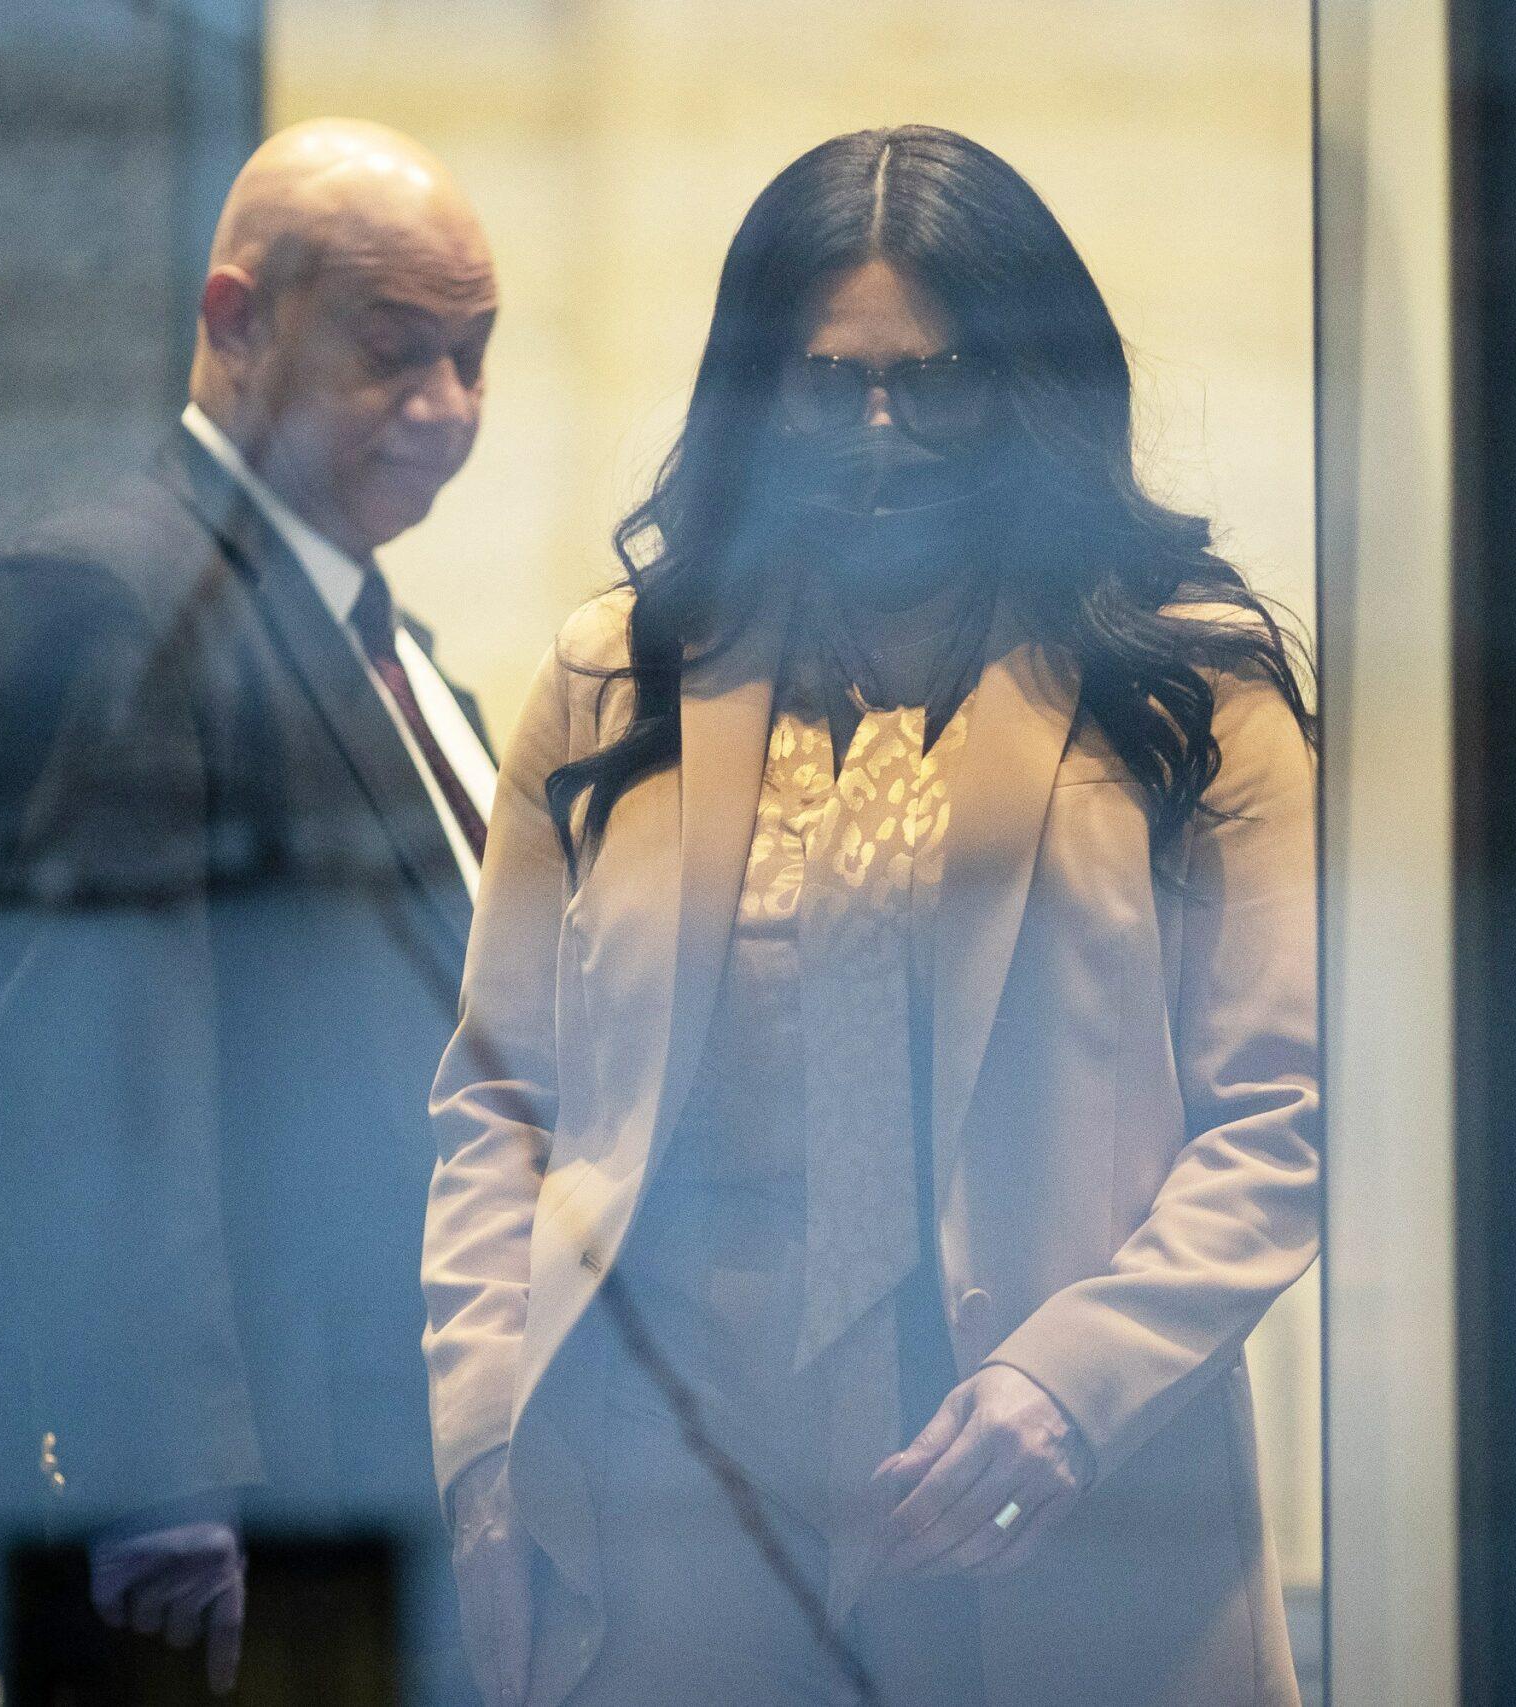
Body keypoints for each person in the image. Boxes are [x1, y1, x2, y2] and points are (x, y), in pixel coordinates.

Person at [424, 125, 1322, 1707]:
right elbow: (502, 1105)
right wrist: (487, 1445)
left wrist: (1071, 1388)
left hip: (1052, 1485)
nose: (885, 430)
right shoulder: (612, 679)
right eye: (834, 383)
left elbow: (1285, 1116)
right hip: (669, 1488)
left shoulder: (1197, 688)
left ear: (1027, 387)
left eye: (942, 375)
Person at [0, 119, 498, 1699]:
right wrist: (151, 1477)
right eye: (397, 353)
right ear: (234, 319)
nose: (446, 410)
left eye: (473, 355)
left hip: (388, 1463)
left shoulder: (399, 647)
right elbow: (88, 1084)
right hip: (214, 1530)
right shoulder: (103, 603)